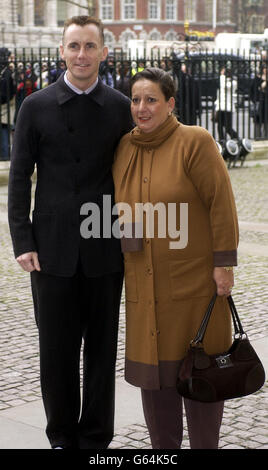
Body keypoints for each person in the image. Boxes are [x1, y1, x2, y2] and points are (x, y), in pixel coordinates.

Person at [8, 16, 133, 449]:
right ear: (62, 51)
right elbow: (20, 175)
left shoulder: (120, 106)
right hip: (51, 250)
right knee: (56, 353)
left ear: (103, 51)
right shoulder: (35, 106)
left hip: (105, 248)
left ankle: (97, 437)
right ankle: (61, 435)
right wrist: (22, 241)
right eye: (74, 46)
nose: (82, 54)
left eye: (90, 46)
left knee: (101, 351)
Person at [112, 67, 239, 449]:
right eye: (135, 100)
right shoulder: (124, 147)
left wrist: (224, 264)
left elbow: (221, 204)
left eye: (151, 100)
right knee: (155, 382)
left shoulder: (194, 141)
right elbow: (120, 209)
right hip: (144, 285)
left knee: (199, 378)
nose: (142, 108)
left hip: (194, 285)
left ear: (170, 103)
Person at [215, 67, 238, 141]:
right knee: (220, 125)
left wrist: (222, 76)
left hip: (228, 106)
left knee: (228, 127)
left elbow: (225, 86)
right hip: (221, 106)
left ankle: (235, 137)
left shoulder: (233, 82)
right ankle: (222, 139)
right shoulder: (222, 80)